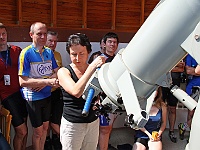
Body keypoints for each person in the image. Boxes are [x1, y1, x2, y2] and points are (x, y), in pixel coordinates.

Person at [57, 33, 105, 150]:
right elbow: (76, 91)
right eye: (73, 54)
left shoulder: (95, 70)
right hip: (72, 124)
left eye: (82, 54)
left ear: (88, 52)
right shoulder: (63, 72)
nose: (77, 58)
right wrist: (91, 68)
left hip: (92, 122)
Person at [18, 22, 59, 150]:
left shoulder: (49, 52)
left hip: (47, 94)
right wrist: (46, 82)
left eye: (45, 34)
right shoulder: (26, 53)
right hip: (33, 97)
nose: (43, 37)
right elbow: (22, 82)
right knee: (38, 132)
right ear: (31, 35)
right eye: (39, 34)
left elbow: (57, 71)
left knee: (45, 129)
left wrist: (43, 82)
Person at [88, 32, 119, 150]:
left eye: (115, 42)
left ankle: (105, 145)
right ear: (104, 44)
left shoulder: (119, 60)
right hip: (100, 99)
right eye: (110, 42)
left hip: (115, 98)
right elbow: (91, 78)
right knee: (103, 128)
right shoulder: (97, 59)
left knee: (108, 127)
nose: (112, 44)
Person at [0, 22, 28, 150]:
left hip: (21, 93)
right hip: (7, 96)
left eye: (3, 33)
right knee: (21, 131)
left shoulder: (16, 50)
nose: (2, 37)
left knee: (24, 131)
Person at [44, 31, 63, 150]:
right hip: (44, 93)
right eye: (50, 40)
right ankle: (46, 141)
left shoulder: (58, 55)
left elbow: (60, 72)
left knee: (56, 119)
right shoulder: (39, 54)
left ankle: (56, 140)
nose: (53, 43)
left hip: (56, 91)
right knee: (46, 121)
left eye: (55, 41)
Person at [161, 60, 185, 143]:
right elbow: (160, 68)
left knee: (172, 108)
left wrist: (167, 66)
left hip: (174, 84)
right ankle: (158, 130)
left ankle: (171, 131)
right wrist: (175, 64)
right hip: (162, 83)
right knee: (160, 107)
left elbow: (181, 69)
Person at [178, 54, 200, 141]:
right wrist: (196, 71)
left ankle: (183, 126)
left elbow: (193, 71)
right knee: (191, 114)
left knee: (197, 115)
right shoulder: (191, 56)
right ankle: (192, 136)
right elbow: (188, 71)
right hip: (193, 88)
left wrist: (195, 71)